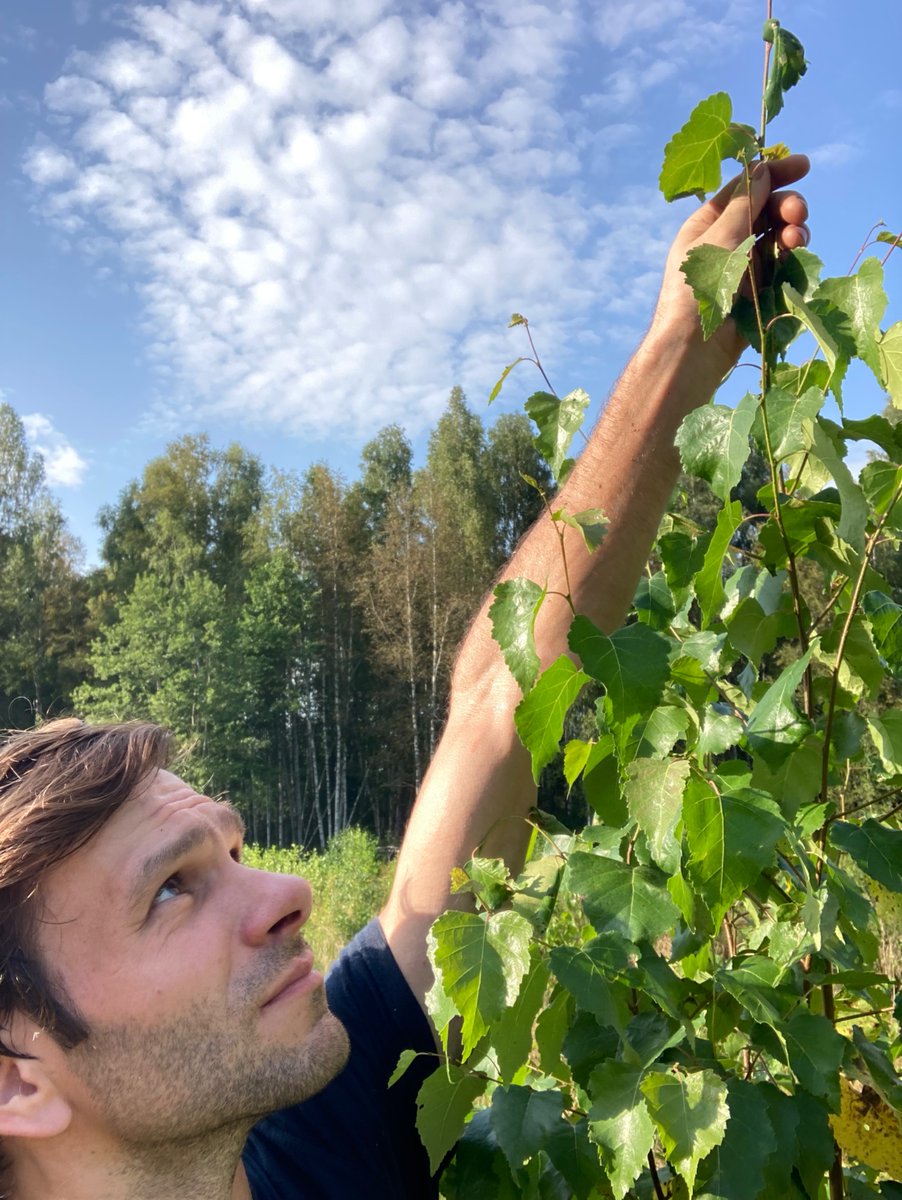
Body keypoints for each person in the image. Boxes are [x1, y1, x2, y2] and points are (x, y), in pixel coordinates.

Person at [0, 157, 811, 1200]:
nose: (290, 892)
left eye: (234, 851)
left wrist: (677, 354)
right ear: (17, 1083)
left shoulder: (329, 1129)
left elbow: (498, 703)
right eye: (169, 891)